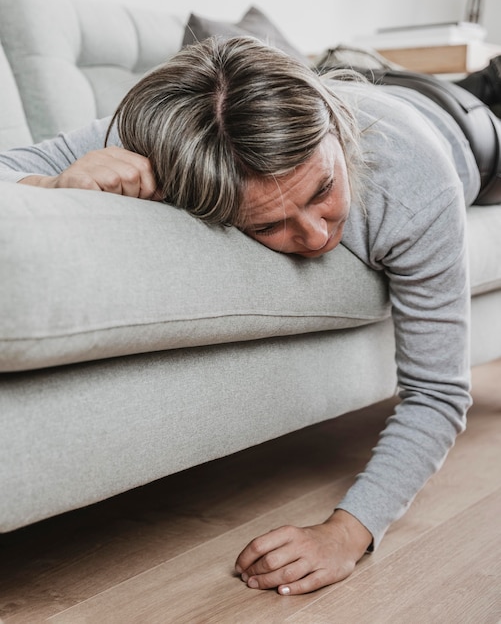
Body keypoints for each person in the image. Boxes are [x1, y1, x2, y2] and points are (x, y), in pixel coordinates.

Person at [1, 36, 500, 596]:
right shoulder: (179, 134)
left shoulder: (412, 186)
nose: (315, 236)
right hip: (377, 86)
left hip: (469, 130)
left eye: (323, 190)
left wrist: (348, 533)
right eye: (267, 226)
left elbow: (437, 393)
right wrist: (60, 183)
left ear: (334, 127)